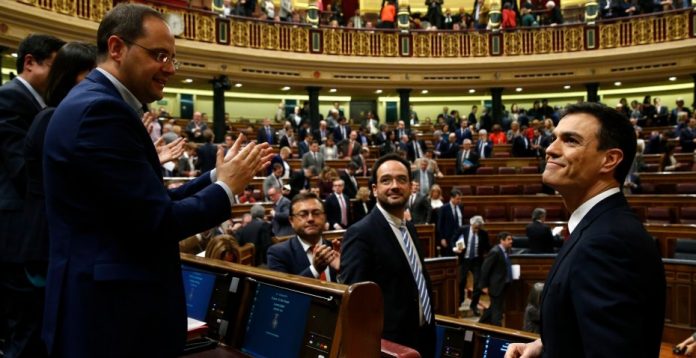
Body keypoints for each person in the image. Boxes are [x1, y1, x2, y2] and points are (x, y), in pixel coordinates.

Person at [40, 5, 273, 357]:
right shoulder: (101, 111)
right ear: (117, 48)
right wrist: (225, 191)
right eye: (159, 55)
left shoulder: (95, 104)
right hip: (111, 318)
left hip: (105, 309)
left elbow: (144, 207)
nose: (170, 69)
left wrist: (217, 177)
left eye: (173, 58)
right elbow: (158, 222)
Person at [505, 103, 665, 358]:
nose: (550, 149)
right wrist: (546, 345)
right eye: (554, 138)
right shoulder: (600, 227)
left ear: (609, 160)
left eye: (570, 140)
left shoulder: (608, 243)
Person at [0, 33, 65, 358]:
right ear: (30, 63)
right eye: (57, 65)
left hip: (26, 237)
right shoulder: (10, 99)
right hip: (18, 239)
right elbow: (24, 172)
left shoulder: (35, 105)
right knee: (24, 338)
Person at [340, 153, 436, 356]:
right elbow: (355, 304)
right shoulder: (360, 233)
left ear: (411, 186)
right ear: (375, 189)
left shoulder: (410, 228)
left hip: (423, 338)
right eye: (386, 180)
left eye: (401, 179)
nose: (394, 186)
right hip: (388, 348)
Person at [267, 192, 340, 281]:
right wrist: (315, 270)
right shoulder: (278, 253)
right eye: (303, 214)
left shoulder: (335, 249)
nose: (310, 219)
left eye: (316, 213)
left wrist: (341, 272)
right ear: (291, 221)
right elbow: (283, 292)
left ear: (325, 217)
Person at [450, 215, 490, 316]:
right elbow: (453, 240)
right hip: (464, 260)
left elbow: (487, 247)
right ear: (471, 224)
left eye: (479, 228)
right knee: (461, 281)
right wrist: (455, 249)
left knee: (478, 283)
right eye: (476, 227)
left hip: (477, 261)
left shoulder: (483, 234)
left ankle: (474, 305)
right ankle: (460, 300)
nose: (477, 230)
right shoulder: (463, 230)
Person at [478, 232, 513, 326]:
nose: (511, 241)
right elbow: (485, 269)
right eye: (509, 239)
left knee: (494, 307)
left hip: (503, 284)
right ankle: (497, 332)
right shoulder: (495, 251)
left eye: (511, 239)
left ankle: (479, 325)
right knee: (497, 311)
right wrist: (483, 285)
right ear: (502, 240)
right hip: (496, 285)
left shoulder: (506, 251)